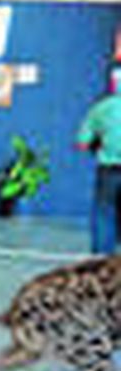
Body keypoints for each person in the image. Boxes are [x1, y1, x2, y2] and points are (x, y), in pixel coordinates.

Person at [77, 84, 121, 253]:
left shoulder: (101, 108)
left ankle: (102, 260)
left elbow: (82, 143)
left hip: (109, 169)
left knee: (104, 213)